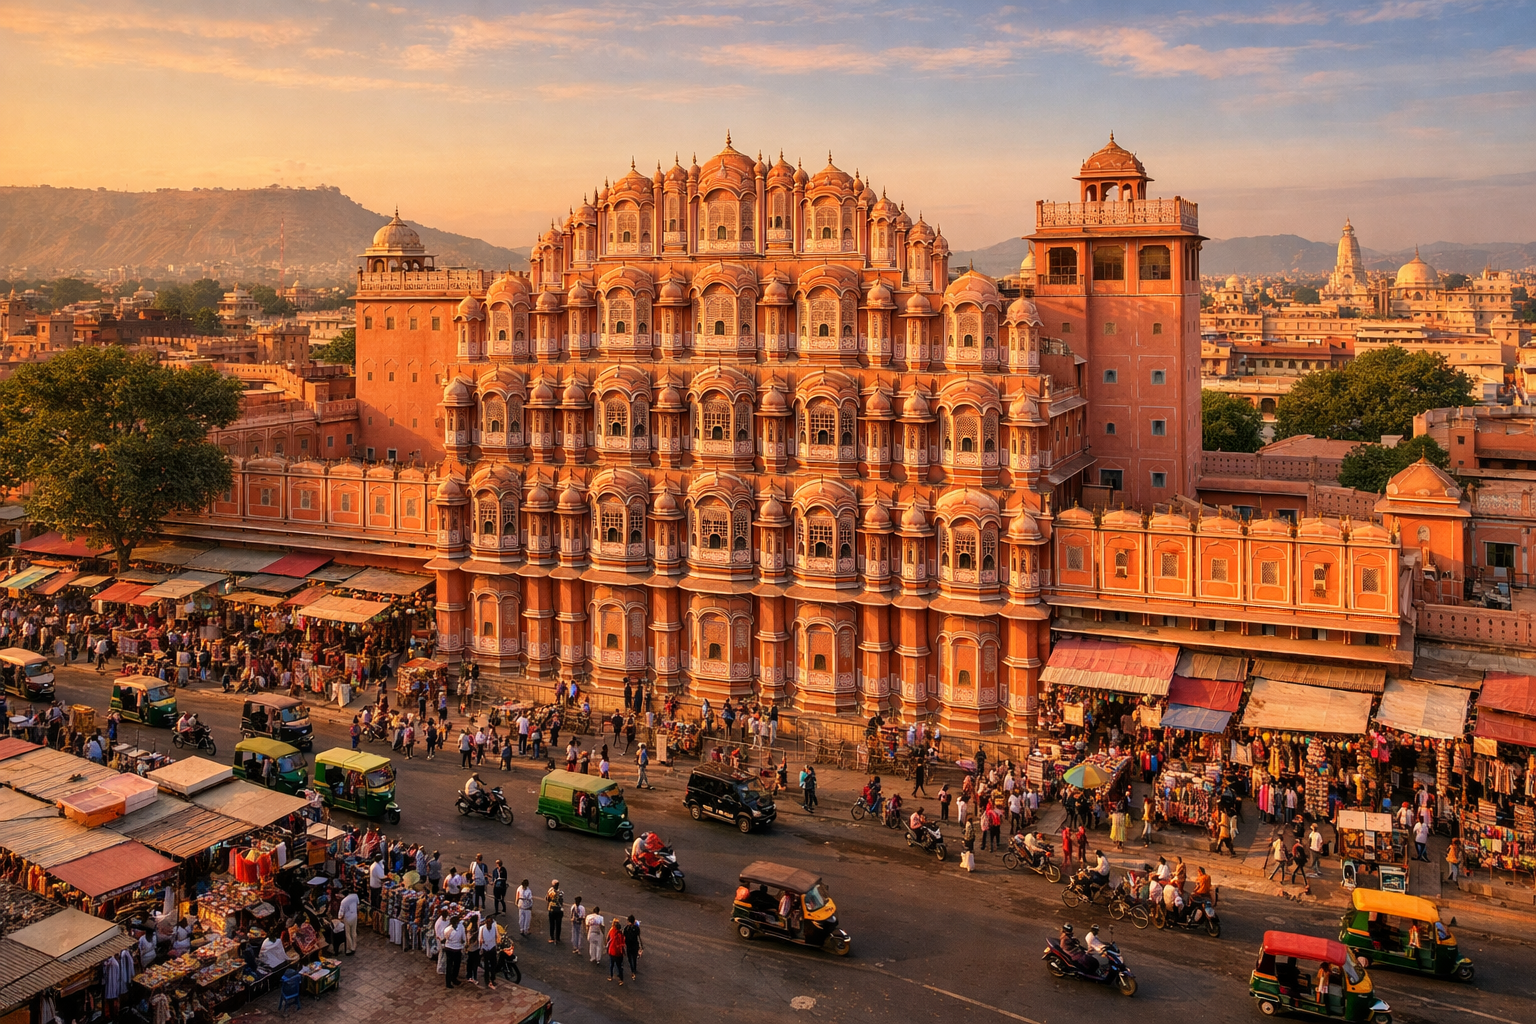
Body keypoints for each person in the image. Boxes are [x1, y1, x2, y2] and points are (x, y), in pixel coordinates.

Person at [443, 913, 465, 988]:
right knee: (449, 966)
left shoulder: (461, 927)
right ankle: (448, 982)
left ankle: (454, 978)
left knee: (457, 965)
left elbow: (463, 937)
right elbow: (447, 938)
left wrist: (463, 943)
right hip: (449, 948)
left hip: (458, 948)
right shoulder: (447, 930)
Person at [337, 890, 359, 955]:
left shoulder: (343, 902)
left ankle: (349, 949)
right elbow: (358, 905)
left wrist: (339, 918)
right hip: (354, 916)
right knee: (354, 932)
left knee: (348, 934)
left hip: (347, 918)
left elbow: (340, 914)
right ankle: (354, 947)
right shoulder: (355, 896)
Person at [606, 918, 626, 984]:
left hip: (612, 951)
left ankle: (611, 976)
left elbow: (607, 938)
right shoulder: (621, 935)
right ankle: (621, 979)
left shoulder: (612, 931)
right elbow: (622, 944)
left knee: (611, 965)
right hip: (618, 953)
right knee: (619, 966)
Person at [623, 915, 642, 979]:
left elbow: (624, 936)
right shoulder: (636, 928)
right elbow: (638, 936)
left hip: (629, 945)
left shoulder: (626, 928)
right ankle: (634, 969)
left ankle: (632, 969)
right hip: (635, 945)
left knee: (629, 958)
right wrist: (641, 946)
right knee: (634, 958)